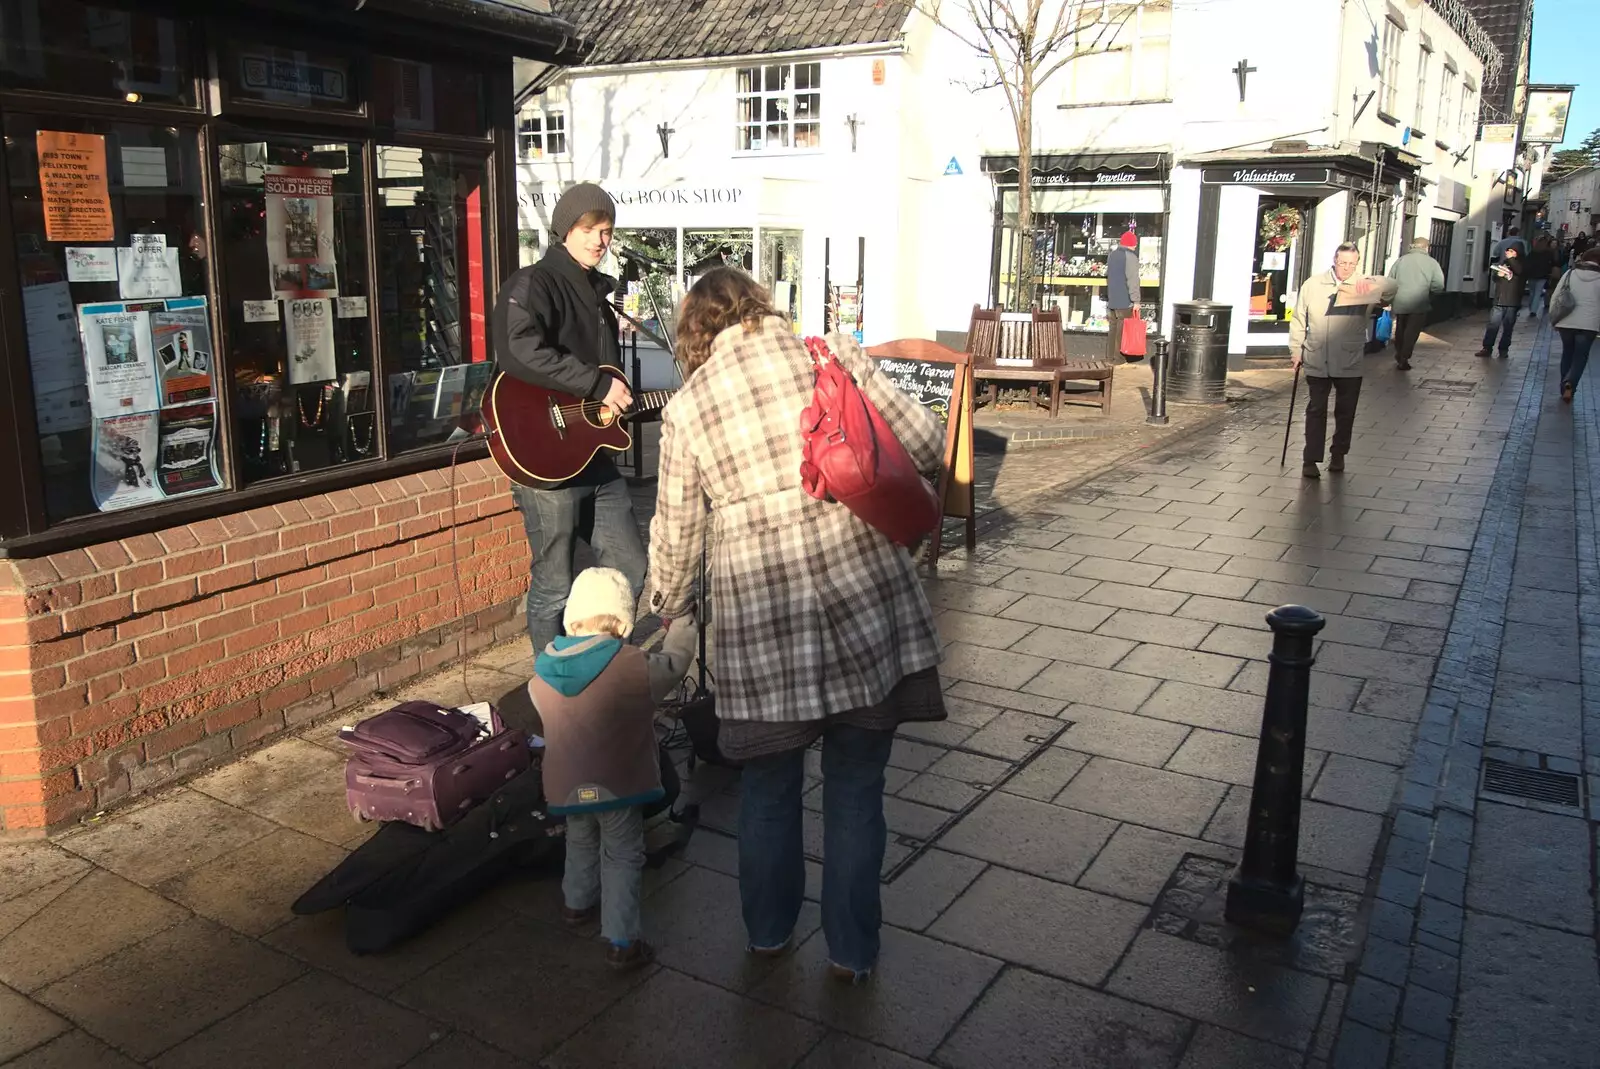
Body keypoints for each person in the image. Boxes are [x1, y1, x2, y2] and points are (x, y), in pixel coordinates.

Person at [646, 268, 946, 984]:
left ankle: (770, 935)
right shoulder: (830, 354)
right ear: (759, 304)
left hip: (761, 617)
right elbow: (930, 445)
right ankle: (851, 952)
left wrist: (665, 607)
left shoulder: (689, 408)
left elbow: (678, 537)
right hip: (864, 601)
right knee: (855, 789)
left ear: (697, 333)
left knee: (769, 790)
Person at [491, 183, 647, 653]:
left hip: (592, 454)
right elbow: (518, 349)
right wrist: (597, 386)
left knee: (630, 569)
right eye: (588, 229)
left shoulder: (598, 295)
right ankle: (555, 698)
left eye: (606, 231)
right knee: (554, 584)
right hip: (545, 455)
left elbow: (605, 383)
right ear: (565, 229)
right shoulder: (533, 283)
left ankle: (598, 674)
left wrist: (614, 401)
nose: (599, 240)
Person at [529, 567, 699, 968]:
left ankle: (576, 902)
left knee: (581, 840)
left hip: (565, 784)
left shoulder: (542, 672)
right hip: (617, 784)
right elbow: (674, 663)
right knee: (622, 854)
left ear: (571, 621)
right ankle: (622, 940)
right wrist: (682, 623)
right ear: (623, 622)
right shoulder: (632, 666)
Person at [1289, 243, 1398, 479]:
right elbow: (1299, 318)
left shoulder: (1364, 287)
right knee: (1316, 409)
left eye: (1352, 263)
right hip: (1317, 356)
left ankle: (1338, 454)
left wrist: (1373, 281)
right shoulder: (1314, 284)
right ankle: (1311, 459)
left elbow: (1392, 289)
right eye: (1343, 262)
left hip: (1349, 360)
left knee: (1345, 412)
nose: (1346, 268)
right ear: (1334, 261)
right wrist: (1296, 350)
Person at [1386, 236, 1445, 370]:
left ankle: (1399, 352)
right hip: (1419, 303)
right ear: (1426, 247)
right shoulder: (1432, 263)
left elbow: (1390, 281)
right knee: (1411, 332)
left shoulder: (1401, 261)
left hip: (1400, 301)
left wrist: (1390, 298)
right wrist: (1431, 294)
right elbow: (1438, 285)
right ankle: (1404, 357)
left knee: (1400, 329)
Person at [1551, 246, 1600, 403]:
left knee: (1567, 353)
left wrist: (1554, 319)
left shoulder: (1570, 273)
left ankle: (1564, 385)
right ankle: (1570, 383)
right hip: (1589, 325)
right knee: (1581, 356)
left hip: (1567, 322)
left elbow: (1556, 296)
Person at [1477, 245, 1527, 359]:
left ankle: (1504, 349)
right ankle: (1487, 347)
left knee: (1508, 327)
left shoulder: (1521, 263)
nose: (1507, 253)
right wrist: (1498, 275)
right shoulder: (1504, 262)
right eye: (1507, 251)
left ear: (1517, 253)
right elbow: (1495, 278)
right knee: (1493, 325)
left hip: (1512, 301)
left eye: (1511, 251)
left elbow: (1519, 271)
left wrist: (1511, 260)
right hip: (1499, 299)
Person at [1106, 230, 1141, 362]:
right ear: (1131, 244)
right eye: (1135, 243)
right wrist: (1136, 300)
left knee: (1113, 329)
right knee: (1122, 330)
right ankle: (1119, 358)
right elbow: (1133, 280)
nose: (1136, 245)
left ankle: (1110, 357)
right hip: (1124, 299)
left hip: (1113, 298)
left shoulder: (1112, 255)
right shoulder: (1131, 257)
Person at [1525, 235, 1556, 317]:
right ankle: (1533, 310)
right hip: (1543, 275)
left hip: (1531, 274)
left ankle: (1531, 307)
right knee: (1538, 292)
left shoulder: (1533, 252)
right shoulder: (1549, 253)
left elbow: (1527, 262)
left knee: (1532, 292)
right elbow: (1552, 263)